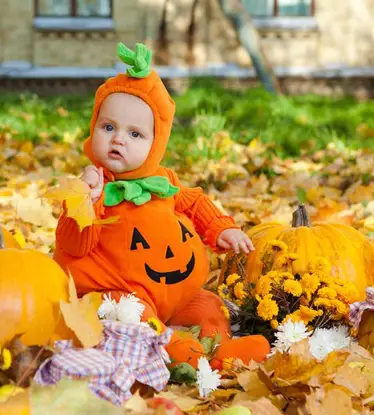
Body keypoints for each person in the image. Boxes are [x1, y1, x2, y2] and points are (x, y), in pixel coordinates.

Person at [53, 42, 270, 369]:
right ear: (93, 128)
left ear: (156, 144)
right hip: (121, 297)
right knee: (137, 322)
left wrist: (222, 228)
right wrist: (85, 199)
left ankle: (221, 350)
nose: (118, 139)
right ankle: (182, 356)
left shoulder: (162, 180)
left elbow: (194, 202)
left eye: (135, 133)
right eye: (108, 127)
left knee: (209, 307)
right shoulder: (95, 188)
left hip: (175, 295)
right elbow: (73, 244)